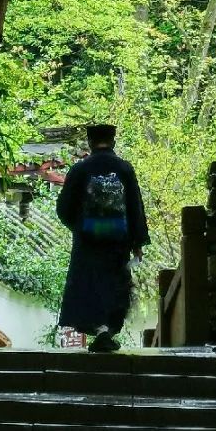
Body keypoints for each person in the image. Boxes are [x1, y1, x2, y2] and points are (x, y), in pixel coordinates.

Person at [56, 123, 149, 353]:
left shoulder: (80, 170)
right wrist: (137, 242)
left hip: (88, 242)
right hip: (117, 242)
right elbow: (135, 207)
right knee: (114, 286)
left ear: (90, 142)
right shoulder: (124, 169)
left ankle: (100, 331)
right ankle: (106, 331)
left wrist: (79, 227)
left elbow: (64, 208)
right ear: (113, 141)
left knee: (90, 286)